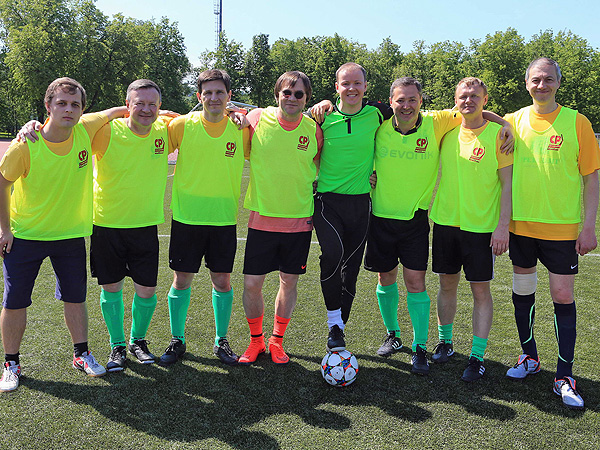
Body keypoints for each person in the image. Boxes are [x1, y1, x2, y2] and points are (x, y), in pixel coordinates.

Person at [365, 77, 512, 375]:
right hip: (402, 219)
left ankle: (440, 350)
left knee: (426, 284)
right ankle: (403, 337)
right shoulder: (379, 124)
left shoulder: (438, 122)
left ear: (422, 102)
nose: (407, 105)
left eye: (413, 100)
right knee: (395, 279)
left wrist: (506, 123)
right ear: (390, 102)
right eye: (400, 100)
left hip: (433, 222)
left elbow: (474, 112)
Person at [0, 77, 126, 392]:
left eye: (75, 104)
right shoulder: (26, 143)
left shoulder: (85, 128)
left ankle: (81, 354)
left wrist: (164, 113)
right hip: (25, 236)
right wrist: (5, 229)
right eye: (61, 103)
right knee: (14, 301)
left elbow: (123, 109)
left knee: (75, 297)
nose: (68, 109)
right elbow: (2, 183)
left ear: (82, 109)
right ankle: (11, 363)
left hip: (69, 236)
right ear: (48, 106)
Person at [504, 58, 599, 409]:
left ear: (558, 82)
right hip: (520, 227)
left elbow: (591, 178)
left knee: (562, 295)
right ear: (526, 83)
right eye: (535, 79)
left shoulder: (577, 122)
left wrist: (588, 226)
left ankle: (564, 375)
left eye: (548, 79)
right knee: (522, 292)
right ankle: (529, 357)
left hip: (561, 229)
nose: (541, 85)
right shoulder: (512, 121)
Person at [158, 69, 250, 367]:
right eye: (207, 93)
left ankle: (221, 340)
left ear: (229, 96)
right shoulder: (182, 125)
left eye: (219, 92)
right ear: (199, 96)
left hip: (223, 220)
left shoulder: (240, 128)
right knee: (181, 279)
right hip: (187, 218)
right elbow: (147, 134)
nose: (213, 98)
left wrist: (244, 117)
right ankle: (177, 339)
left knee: (222, 281)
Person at [430, 77, 513, 382]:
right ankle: (446, 342)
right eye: (463, 96)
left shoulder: (499, 135)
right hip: (445, 222)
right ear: (455, 100)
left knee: (480, 291)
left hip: (481, 228)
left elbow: (508, 186)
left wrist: (502, 227)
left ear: (485, 99)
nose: (468, 101)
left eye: (475, 96)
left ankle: (477, 356)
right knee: (446, 285)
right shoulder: (447, 131)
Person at [238, 71, 323, 366]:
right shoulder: (256, 118)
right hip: (262, 219)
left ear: (306, 99)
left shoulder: (314, 129)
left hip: (299, 221)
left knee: (288, 283)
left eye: (299, 94)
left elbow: (322, 165)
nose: (292, 98)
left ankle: (276, 340)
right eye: (287, 92)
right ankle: (256, 341)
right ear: (277, 95)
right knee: (252, 285)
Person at [309, 62, 391, 352]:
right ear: (337, 87)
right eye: (346, 83)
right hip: (327, 202)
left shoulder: (378, 113)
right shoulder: (321, 117)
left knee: (351, 268)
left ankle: (338, 327)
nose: (352, 88)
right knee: (332, 255)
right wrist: (320, 104)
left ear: (366, 87)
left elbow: (411, 114)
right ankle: (334, 322)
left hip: (360, 203)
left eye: (357, 83)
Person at [90, 79, 170, 371]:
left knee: (146, 290)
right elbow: (75, 124)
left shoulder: (164, 130)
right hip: (107, 225)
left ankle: (138, 341)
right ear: (127, 105)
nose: (146, 110)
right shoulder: (107, 131)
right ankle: (117, 345)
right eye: (139, 103)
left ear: (159, 107)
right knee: (111, 288)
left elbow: (196, 120)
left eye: (152, 104)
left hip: (145, 226)